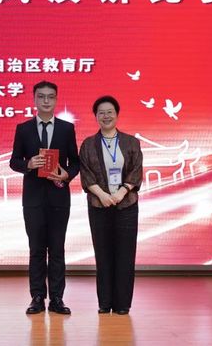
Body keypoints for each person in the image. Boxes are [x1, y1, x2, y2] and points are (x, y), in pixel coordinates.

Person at [10, 80, 79, 315]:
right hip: (33, 199)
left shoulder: (66, 129)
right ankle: (37, 297)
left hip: (59, 197)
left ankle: (57, 298)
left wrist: (67, 174)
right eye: (41, 96)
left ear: (56, 100)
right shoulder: (24, 129)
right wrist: (28, 164)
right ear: (34, 99)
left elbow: (75, 162)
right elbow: (14, 161)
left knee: (57, 249)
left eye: (50, 97)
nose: (46, 101)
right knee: (36, 249)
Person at [79, 95, 143, 315]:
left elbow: (136, 171)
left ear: (117, 114)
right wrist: (103, 196)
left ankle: (122, 304)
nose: (106, 116)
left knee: (125, 254)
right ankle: (104, 303)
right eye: (101, 113)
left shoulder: (131, 142)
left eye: (110, 112)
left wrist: (121, 193)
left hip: (127, 205)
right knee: (103, 254)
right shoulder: (88, 144)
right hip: (99, 205)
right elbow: (86, 174)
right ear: (96, 116)